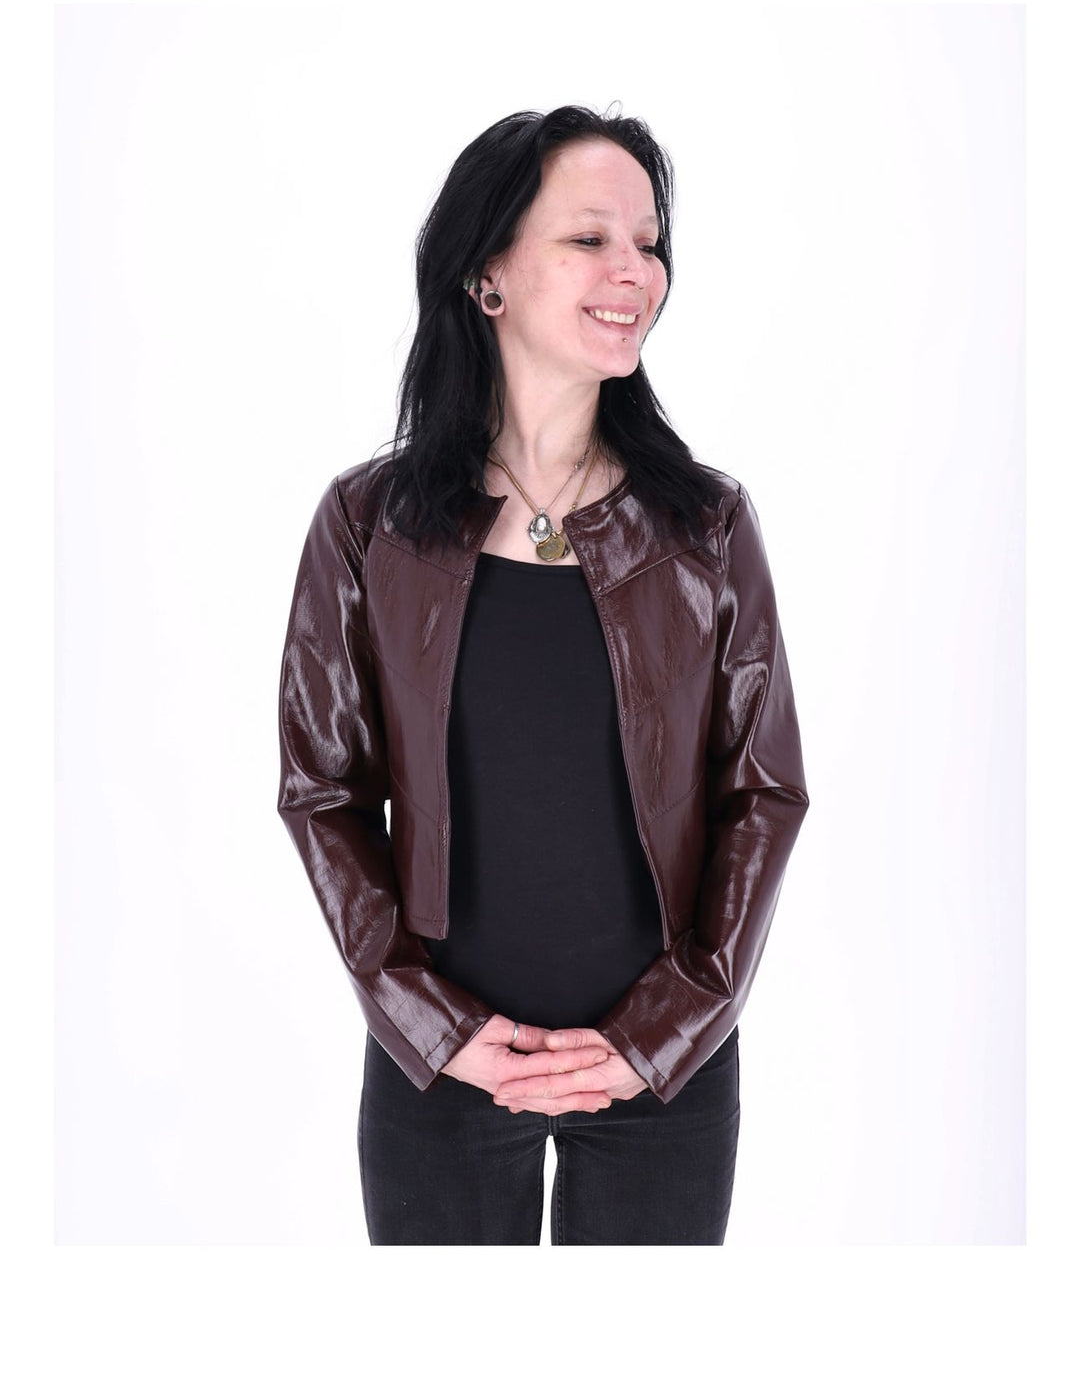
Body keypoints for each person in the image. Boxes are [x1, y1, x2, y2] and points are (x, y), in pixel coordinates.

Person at [276, 104, 810, 1245]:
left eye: (649, 243)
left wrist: (663, 1034)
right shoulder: (369, 525)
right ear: (488, 276)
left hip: (660, 1080)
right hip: (442, 1075)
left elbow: (763, 793)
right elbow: (322, 792)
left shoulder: (707, 527)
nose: (636, 272)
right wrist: (431, 1027)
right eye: (590, 238)